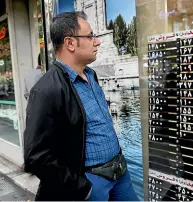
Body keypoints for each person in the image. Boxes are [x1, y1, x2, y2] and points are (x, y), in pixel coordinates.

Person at [23, 11, 139, 201]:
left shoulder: (91, 75)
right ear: (70, 43)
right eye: (90, 36)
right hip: (91, 183)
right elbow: (36, 157)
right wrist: (82, 188)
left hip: (120, 174)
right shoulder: (46, 90)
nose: (97, 41)